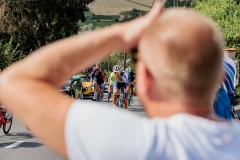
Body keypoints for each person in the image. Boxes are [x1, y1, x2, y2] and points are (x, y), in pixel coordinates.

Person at [1, 3, 240, 159]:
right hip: (114, 85)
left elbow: (12, 81)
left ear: (144, 80)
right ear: (219, 78)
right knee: (106, 90)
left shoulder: (138, 145)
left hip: (123, 86)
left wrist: (122, 34)